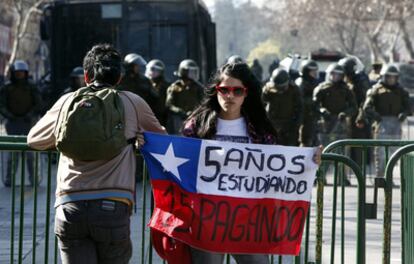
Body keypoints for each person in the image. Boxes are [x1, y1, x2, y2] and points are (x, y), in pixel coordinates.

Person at [27, 44, 166, 264]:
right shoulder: (132, 102)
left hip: (69, 206)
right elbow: (161, 139)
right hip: (113, 206)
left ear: (86, 75)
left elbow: (33, 140)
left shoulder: (67, 101)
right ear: (119, 77)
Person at [181, 62, 322, 264]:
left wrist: (309, 160)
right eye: (224, 90)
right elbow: (182, 162)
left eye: (237, 91)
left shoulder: (259, 128)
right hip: (207, 219)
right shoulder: (196, 125)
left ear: (246, 93)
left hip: (249, 220)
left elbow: (277, 168)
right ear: (216, 91)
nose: (230, 96)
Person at [360, 64, 411, 178]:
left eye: (393, 77)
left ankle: (389, 177)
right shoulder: (375, 90)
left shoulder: (401, 91)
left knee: (393, 153)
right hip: (381, 125)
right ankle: (379, 177)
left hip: (396, 125)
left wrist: (404, 114)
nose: (391, 80)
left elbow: (408, 108)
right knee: (380, 153)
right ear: (383, 76)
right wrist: (376, 116)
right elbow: (367, 107)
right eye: (388, 77)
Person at [0, 60, 40, 187]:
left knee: (30, 154)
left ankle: (34, 179)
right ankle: (8, 179)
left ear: (26, 73)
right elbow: (1, 105)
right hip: (12, 123)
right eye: (17, 73)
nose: (20, 75)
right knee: (13, 154)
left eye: (22, 72)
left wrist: (30, 115)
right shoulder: (7, 88)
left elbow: (38, 103)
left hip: (28, 123)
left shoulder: (32, 87)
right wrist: (9, 115)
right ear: (13, 73)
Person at [338, 56, 372, 168]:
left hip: (358, 119)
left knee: (358, 145)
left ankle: (359, 170)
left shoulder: (360, 81)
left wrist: (361, 117)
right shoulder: (347, 81)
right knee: (348, 144)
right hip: (348, 116)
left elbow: (364, 101)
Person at [262, 68, 303, 146]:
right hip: (272, 123)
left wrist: (295, 125)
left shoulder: (294, 89)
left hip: (289, 124)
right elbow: (261, 105)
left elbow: (299, 109)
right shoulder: (268, 89)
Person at [165, 59, 204, 134]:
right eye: (191, 72)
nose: (193, 74)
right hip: (178, 119)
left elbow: (203, 103)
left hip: (195, 118)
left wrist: (195, 112)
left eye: (194, 72)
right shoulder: (174, 87)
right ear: (184, 72)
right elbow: (169, 105)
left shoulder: (199, 87)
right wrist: (181, 112)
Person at [296, 59, 319, 146]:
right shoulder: (301, 82)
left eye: (315, 71)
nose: (315, 73)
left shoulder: (314, 82)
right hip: (303, 116)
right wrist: (313, 101)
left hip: (311, 116)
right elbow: (299, 100)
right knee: (305, 140)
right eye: (312, 71)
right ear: (306, 71)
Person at [145, 59, 170, 126]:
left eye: (156, 70)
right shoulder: (144, 83)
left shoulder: (166, 85)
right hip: (146, 114)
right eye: (151, 69)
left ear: (160, 72)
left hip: (161, 116)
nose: (152, 72)